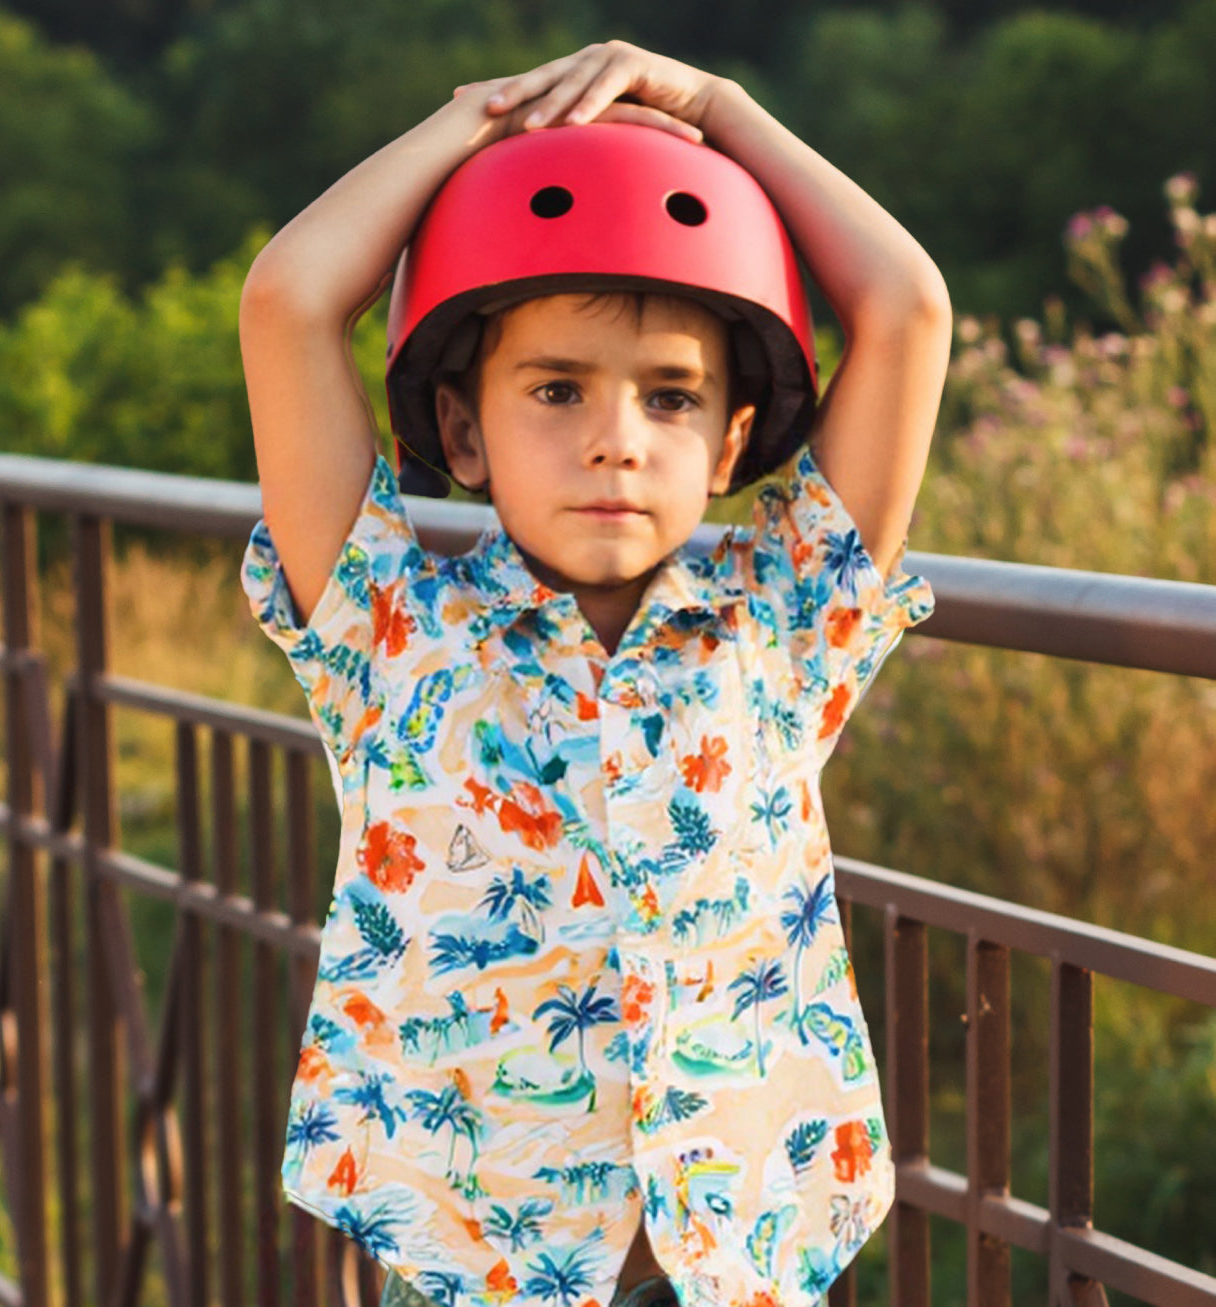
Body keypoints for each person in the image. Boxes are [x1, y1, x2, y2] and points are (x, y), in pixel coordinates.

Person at [239, 40, 950, 1307]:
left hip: (732, 1267)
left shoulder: (777, 626)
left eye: (671, 398)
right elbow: (288, 302)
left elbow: (902, 309)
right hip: (477, 1272)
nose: (615, 440)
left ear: (734, 435)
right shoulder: (395, 632)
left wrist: (724, 111)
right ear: (461, 427)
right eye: (555, 389)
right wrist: (480, 120)